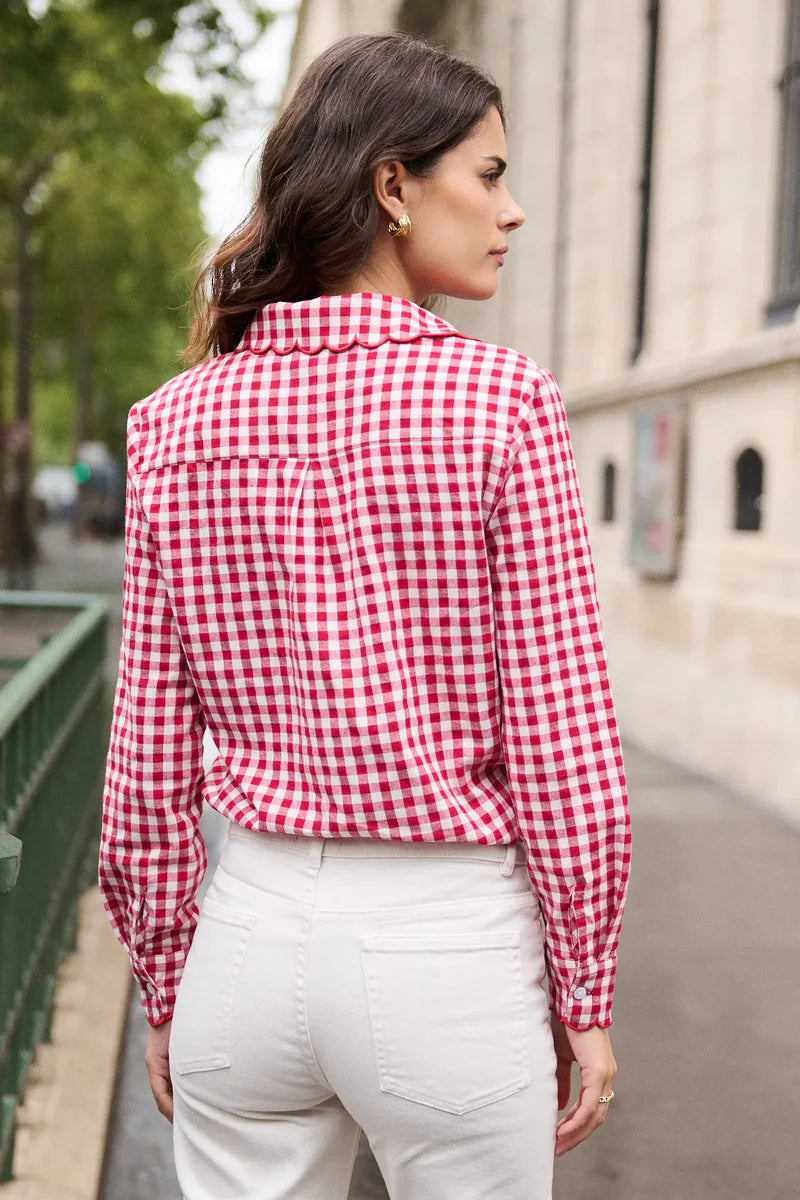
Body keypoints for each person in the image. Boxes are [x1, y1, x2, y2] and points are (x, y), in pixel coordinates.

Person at [98, 32, 631, 1200]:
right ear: (393, 186)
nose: (511, 210)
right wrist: (582, 990)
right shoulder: (501, 403)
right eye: (487, 175)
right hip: (447, 957)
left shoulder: (172, 424)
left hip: (245, 941)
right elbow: (562, 743)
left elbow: (144, 757)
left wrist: (167, 982)